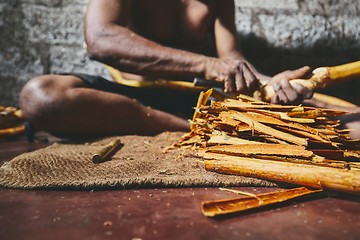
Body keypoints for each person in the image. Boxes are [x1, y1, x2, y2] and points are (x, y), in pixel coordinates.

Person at [19, 0, 312, 138]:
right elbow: (100, 39)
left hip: (194, 100)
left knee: (345, 120)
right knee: (40, 97)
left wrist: (272, 83)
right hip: (125, 99)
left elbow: (235, 60)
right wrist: (207, 64)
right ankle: (190, 130)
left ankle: (196, 127)